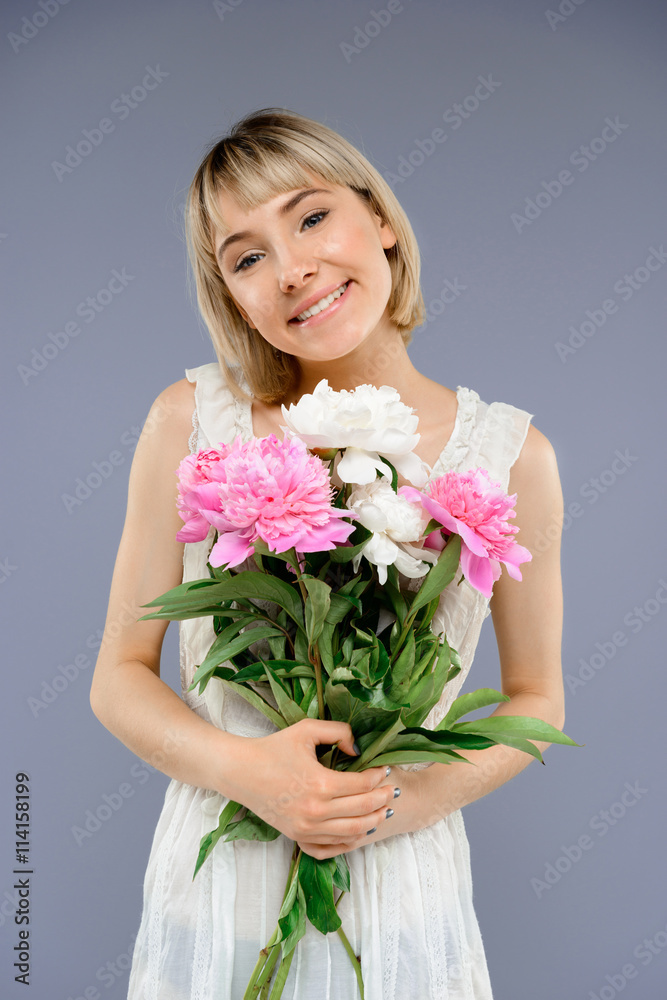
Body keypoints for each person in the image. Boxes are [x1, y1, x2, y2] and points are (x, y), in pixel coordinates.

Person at [90, 107, 566, 999]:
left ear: (380, 221)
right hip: (219, 881)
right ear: (230, 294)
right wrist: (255, 776)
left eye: (310, 217)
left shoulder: (512, 456)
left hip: (400, 886)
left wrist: (394, 806)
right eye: (246, 256)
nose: (292, 268)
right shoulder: (188, 422)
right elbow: (118, 674)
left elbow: (537, 696)